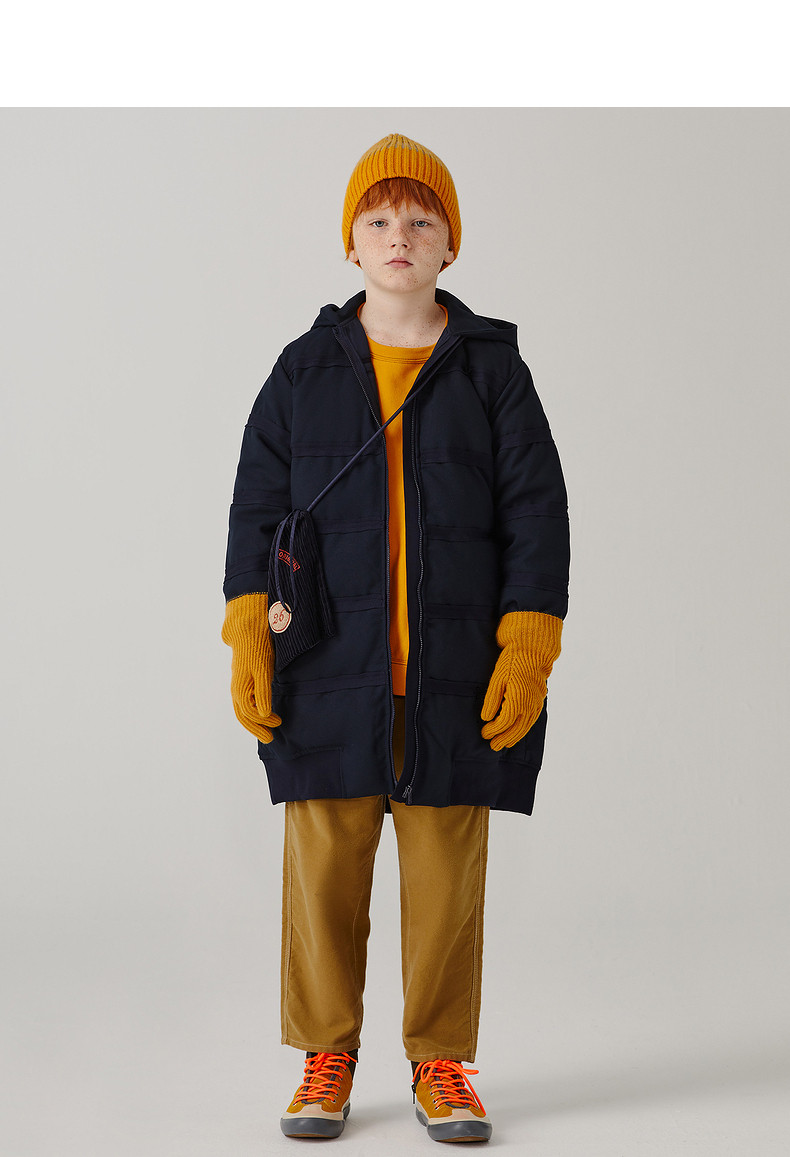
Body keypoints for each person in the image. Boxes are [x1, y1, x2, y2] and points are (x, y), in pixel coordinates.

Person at [220, 133, 571, 1143]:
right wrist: (248, 631)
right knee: (322, 870)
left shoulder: (493, 370)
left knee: (447, 878)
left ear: (451, 243)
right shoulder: (301, 371)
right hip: (326, 670)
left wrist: (529, 643)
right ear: (351, 243)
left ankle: (440, 1060)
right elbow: (254, 511)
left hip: (455, 676)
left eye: (421, 219)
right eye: (377, 220)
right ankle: (324, 1054)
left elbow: (536, 513)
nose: (398, 236)